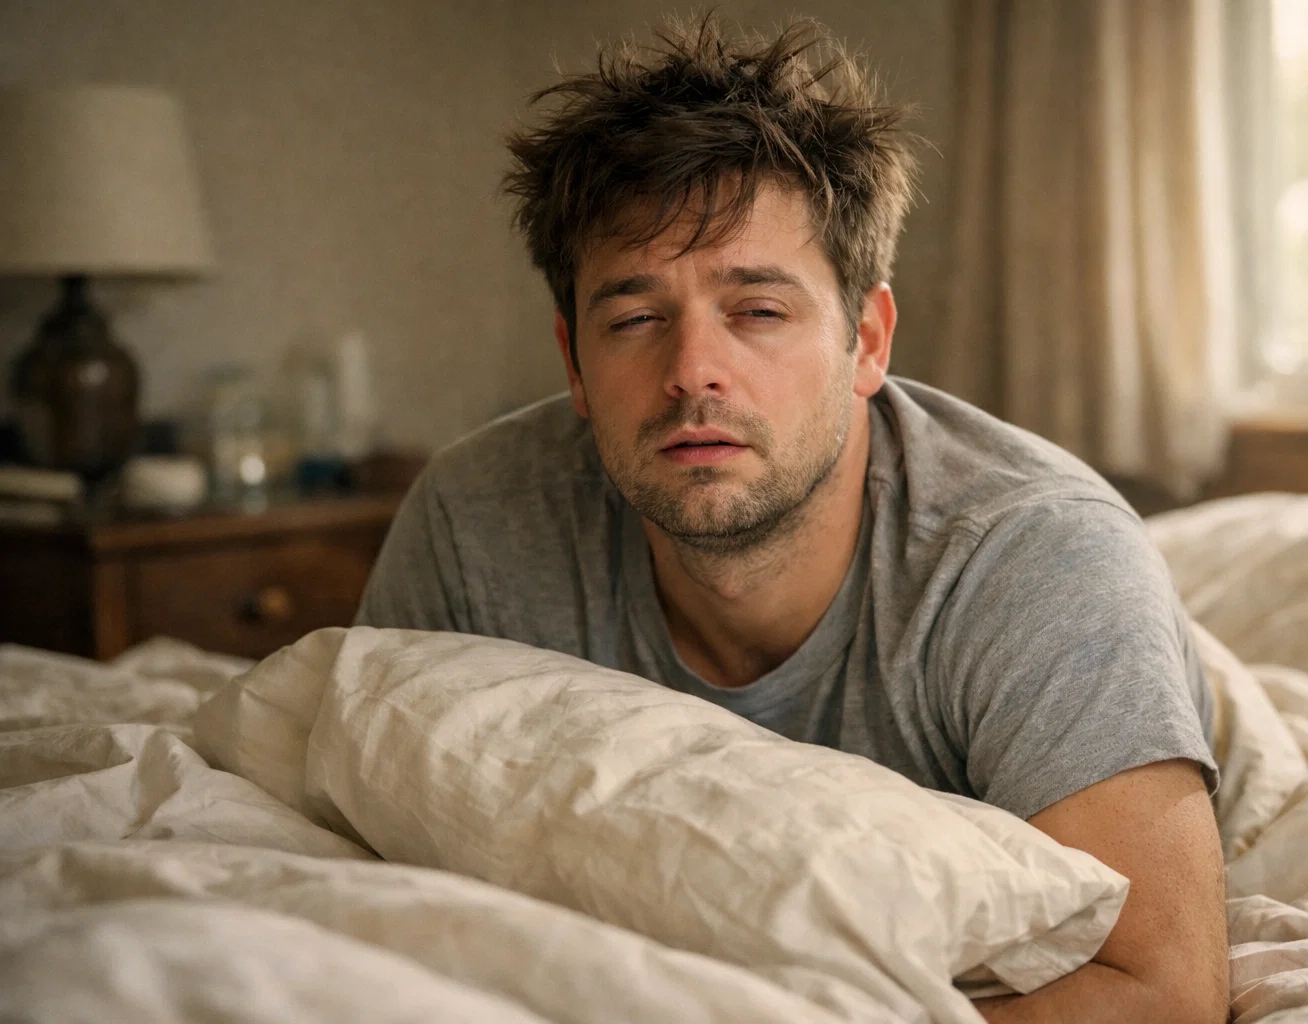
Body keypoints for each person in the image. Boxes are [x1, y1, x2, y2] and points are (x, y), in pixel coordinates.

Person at [357, 16, 1228, 1023]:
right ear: (574, 364)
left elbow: (1167, 990)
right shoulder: (472, 527)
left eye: (759, 311)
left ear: (868, 340)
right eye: (634, 319)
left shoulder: (1038, 559)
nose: (693, 371)